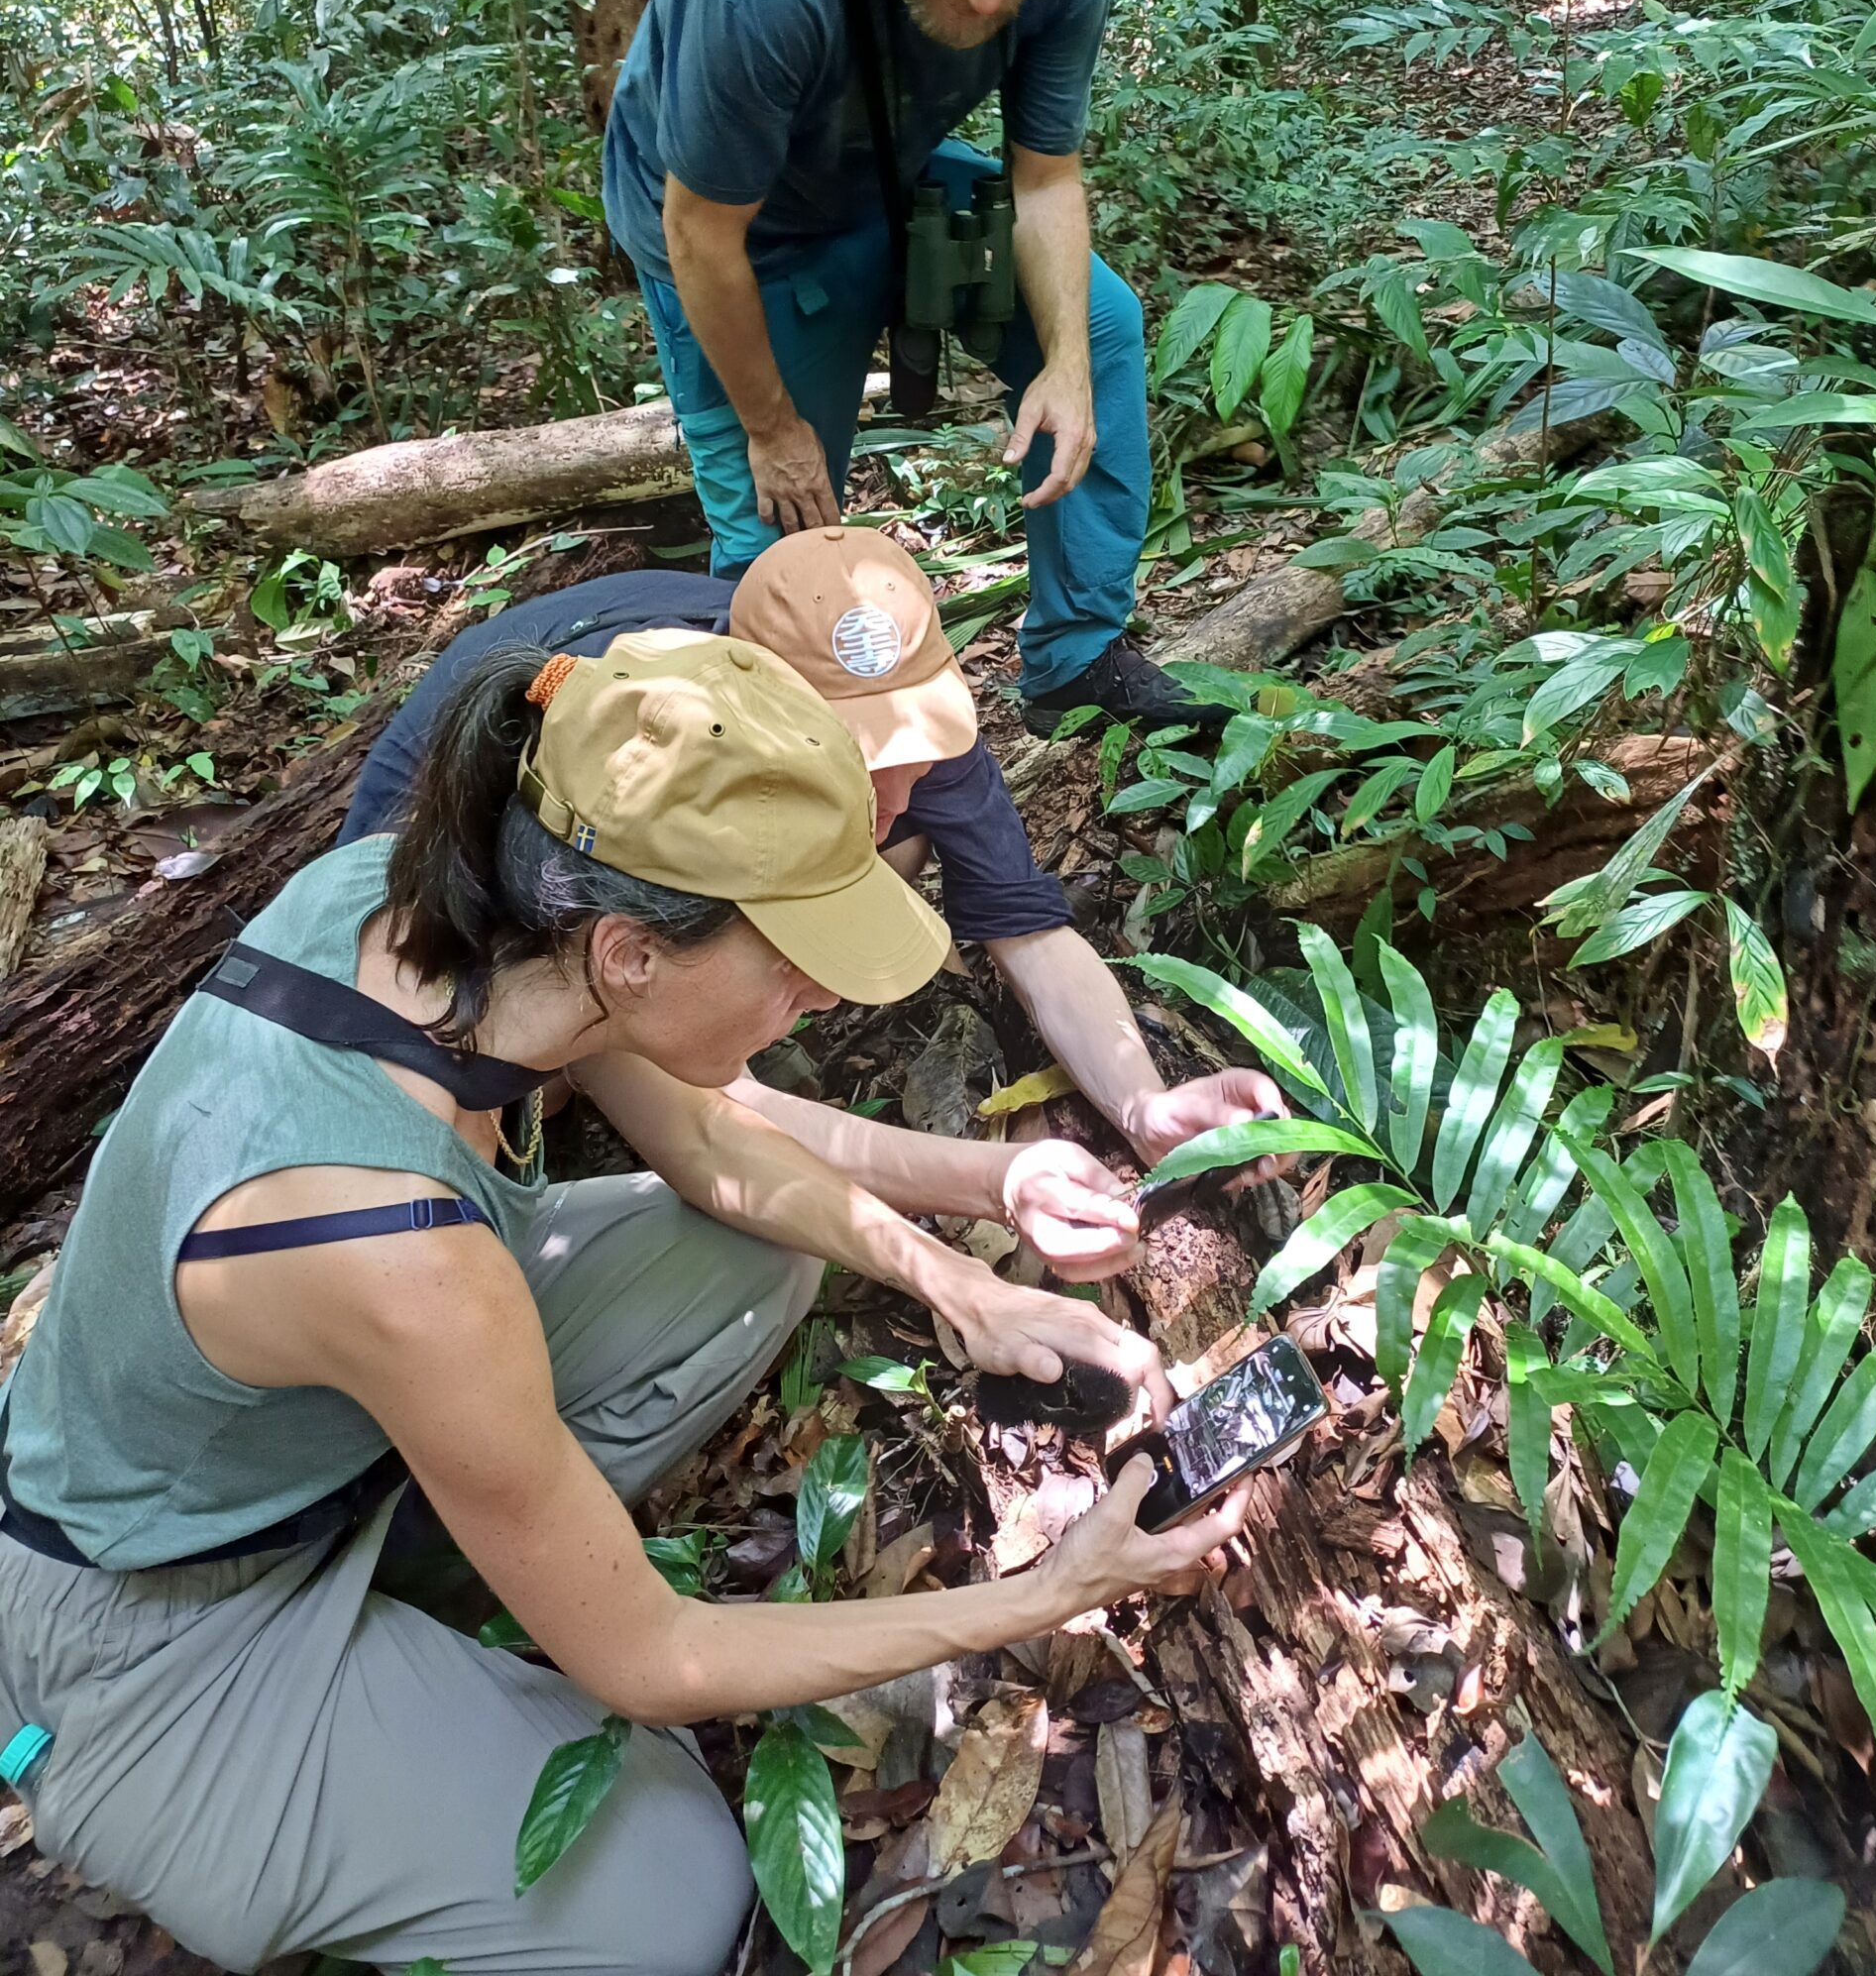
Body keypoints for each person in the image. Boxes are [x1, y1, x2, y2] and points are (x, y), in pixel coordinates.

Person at [0, 632, 1249, 1976]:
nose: (818, 995)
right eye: (792, 959)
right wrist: (1049, 1590)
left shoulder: (462, 918)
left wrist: (959, 1276)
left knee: (747, 1255)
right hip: (151, 1633)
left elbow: (714, 1151)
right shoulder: (396, 1254)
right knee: (666, 1898)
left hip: (312, 1460)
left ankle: (458, 1608)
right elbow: (654, 1661)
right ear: (630, 952)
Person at [602, 0, 1224, 736]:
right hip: (738, 231)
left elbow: (1044, 177)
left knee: (1102, 331)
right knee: (785, 523)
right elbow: (699, 229)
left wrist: (1065, 366)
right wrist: (775, 429)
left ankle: (1076, 658)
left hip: (890, 171)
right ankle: (783, 741)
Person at [342, 529, 1286, 1196]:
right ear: (763, 715)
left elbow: (1026, 929)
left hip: (649, 898)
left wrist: (1144, 1105)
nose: (892, 793)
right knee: (548, 1073)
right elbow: (703, 1096)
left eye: (909, 753)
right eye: (853, 764)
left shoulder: (913, 725)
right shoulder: (654, 761)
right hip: (467, 881)